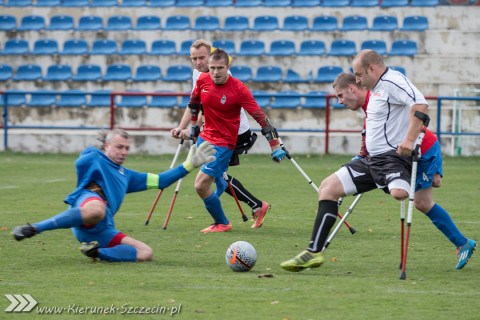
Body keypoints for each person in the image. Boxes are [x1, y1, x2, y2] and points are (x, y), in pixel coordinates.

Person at [280, 49, 448, 272]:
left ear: (372, 69)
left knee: (400, 193)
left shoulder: (393, 81)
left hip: (391, 160)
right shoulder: (376, 90)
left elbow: (420, 105)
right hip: (370, 161)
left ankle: (408, 179)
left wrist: (408, 140)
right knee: (327, 188)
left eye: (358, 75)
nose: (357, 80)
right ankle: (313, 252)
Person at [334, 72, 476, 270]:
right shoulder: (371, 103)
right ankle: (462, 242)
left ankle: (463, 243)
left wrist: (365, 157)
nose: (339, 102)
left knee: (421, 202)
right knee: (428, 192)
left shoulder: (377, 98)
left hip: (423, 149)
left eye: (340, 96)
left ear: (353, 88)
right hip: (410, 152)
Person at [12, 129, 215, 262]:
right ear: (107, 146)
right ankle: (34, 228)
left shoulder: (127, 176)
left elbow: (161, 181)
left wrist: (189, 165)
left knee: (146, 253)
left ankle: (95, 252)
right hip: (88, 205)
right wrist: (96, 155)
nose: (124, 152)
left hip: (102, 230)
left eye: (127, 148)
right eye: (119, 147)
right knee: (98, 208)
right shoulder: (95, 157)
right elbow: (81, 162)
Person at [171, 39, 272, 229]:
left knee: (209, 178)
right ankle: (254, 205)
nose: (198, 62)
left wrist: (190, 129)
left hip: (234, 132)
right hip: (211, 131)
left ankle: (235, 215)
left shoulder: (223, 77)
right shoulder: (200, 75)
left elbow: (209, 108)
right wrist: (184, 126)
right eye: (194, 58)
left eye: (202, 57)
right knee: (217, 173)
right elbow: (195, 103)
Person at [187, 48, 286, 233]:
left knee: (200, 185)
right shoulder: (202, 79)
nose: (215, 73)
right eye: (213, 68)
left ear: (228, 67)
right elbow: (193, 103)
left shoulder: (238, 89)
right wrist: (194, 126)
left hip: (224, 143)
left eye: (220, 68)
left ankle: (222, 222)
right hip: (204, 137)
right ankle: (255, 204)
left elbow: (260, 117)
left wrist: (275, 146)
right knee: (213, 177)